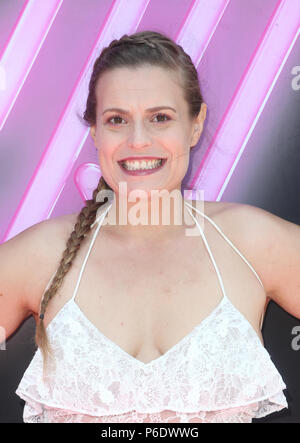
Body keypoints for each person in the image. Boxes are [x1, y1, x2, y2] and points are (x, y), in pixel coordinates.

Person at [1, 30, 299, 423]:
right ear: (95, 131)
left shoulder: (251, 241)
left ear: (195, 125)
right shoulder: (40, 254)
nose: (138, 140)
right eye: (117, 120)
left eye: (160, 118)